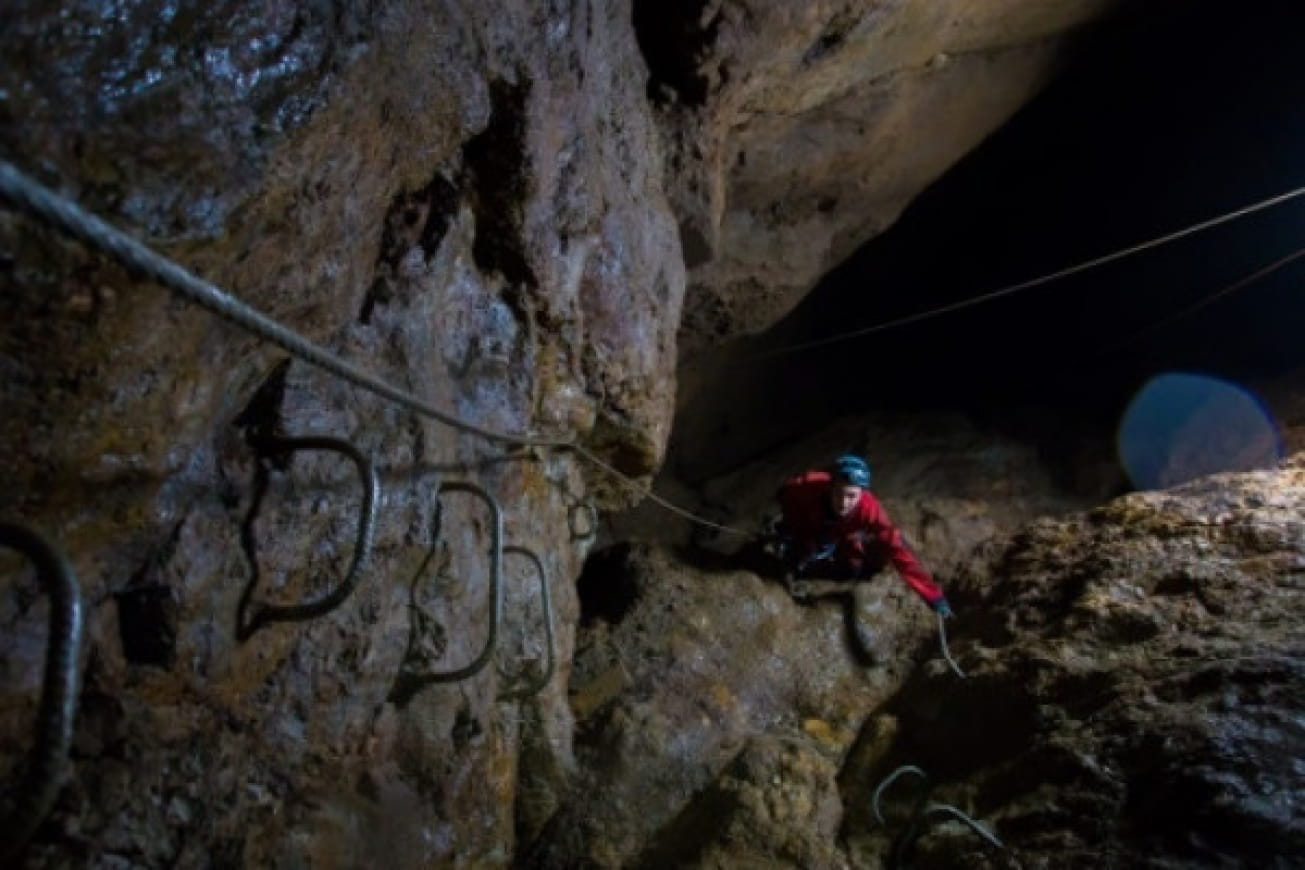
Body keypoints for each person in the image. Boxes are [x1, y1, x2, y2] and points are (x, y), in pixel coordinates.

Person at [772, 454, 952, 616]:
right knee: (798, 554)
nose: (843, 503)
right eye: (839, 493)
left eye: (851, 496)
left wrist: (932, 596)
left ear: (862, 494)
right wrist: (797, 533)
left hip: (844, 532)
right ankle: (795, 563)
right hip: (811, 522)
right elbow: (785, 495)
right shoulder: (807, 486)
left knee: (853, 568)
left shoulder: (870, 510)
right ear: (830, 486)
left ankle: (816, 567)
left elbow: (898, 550)